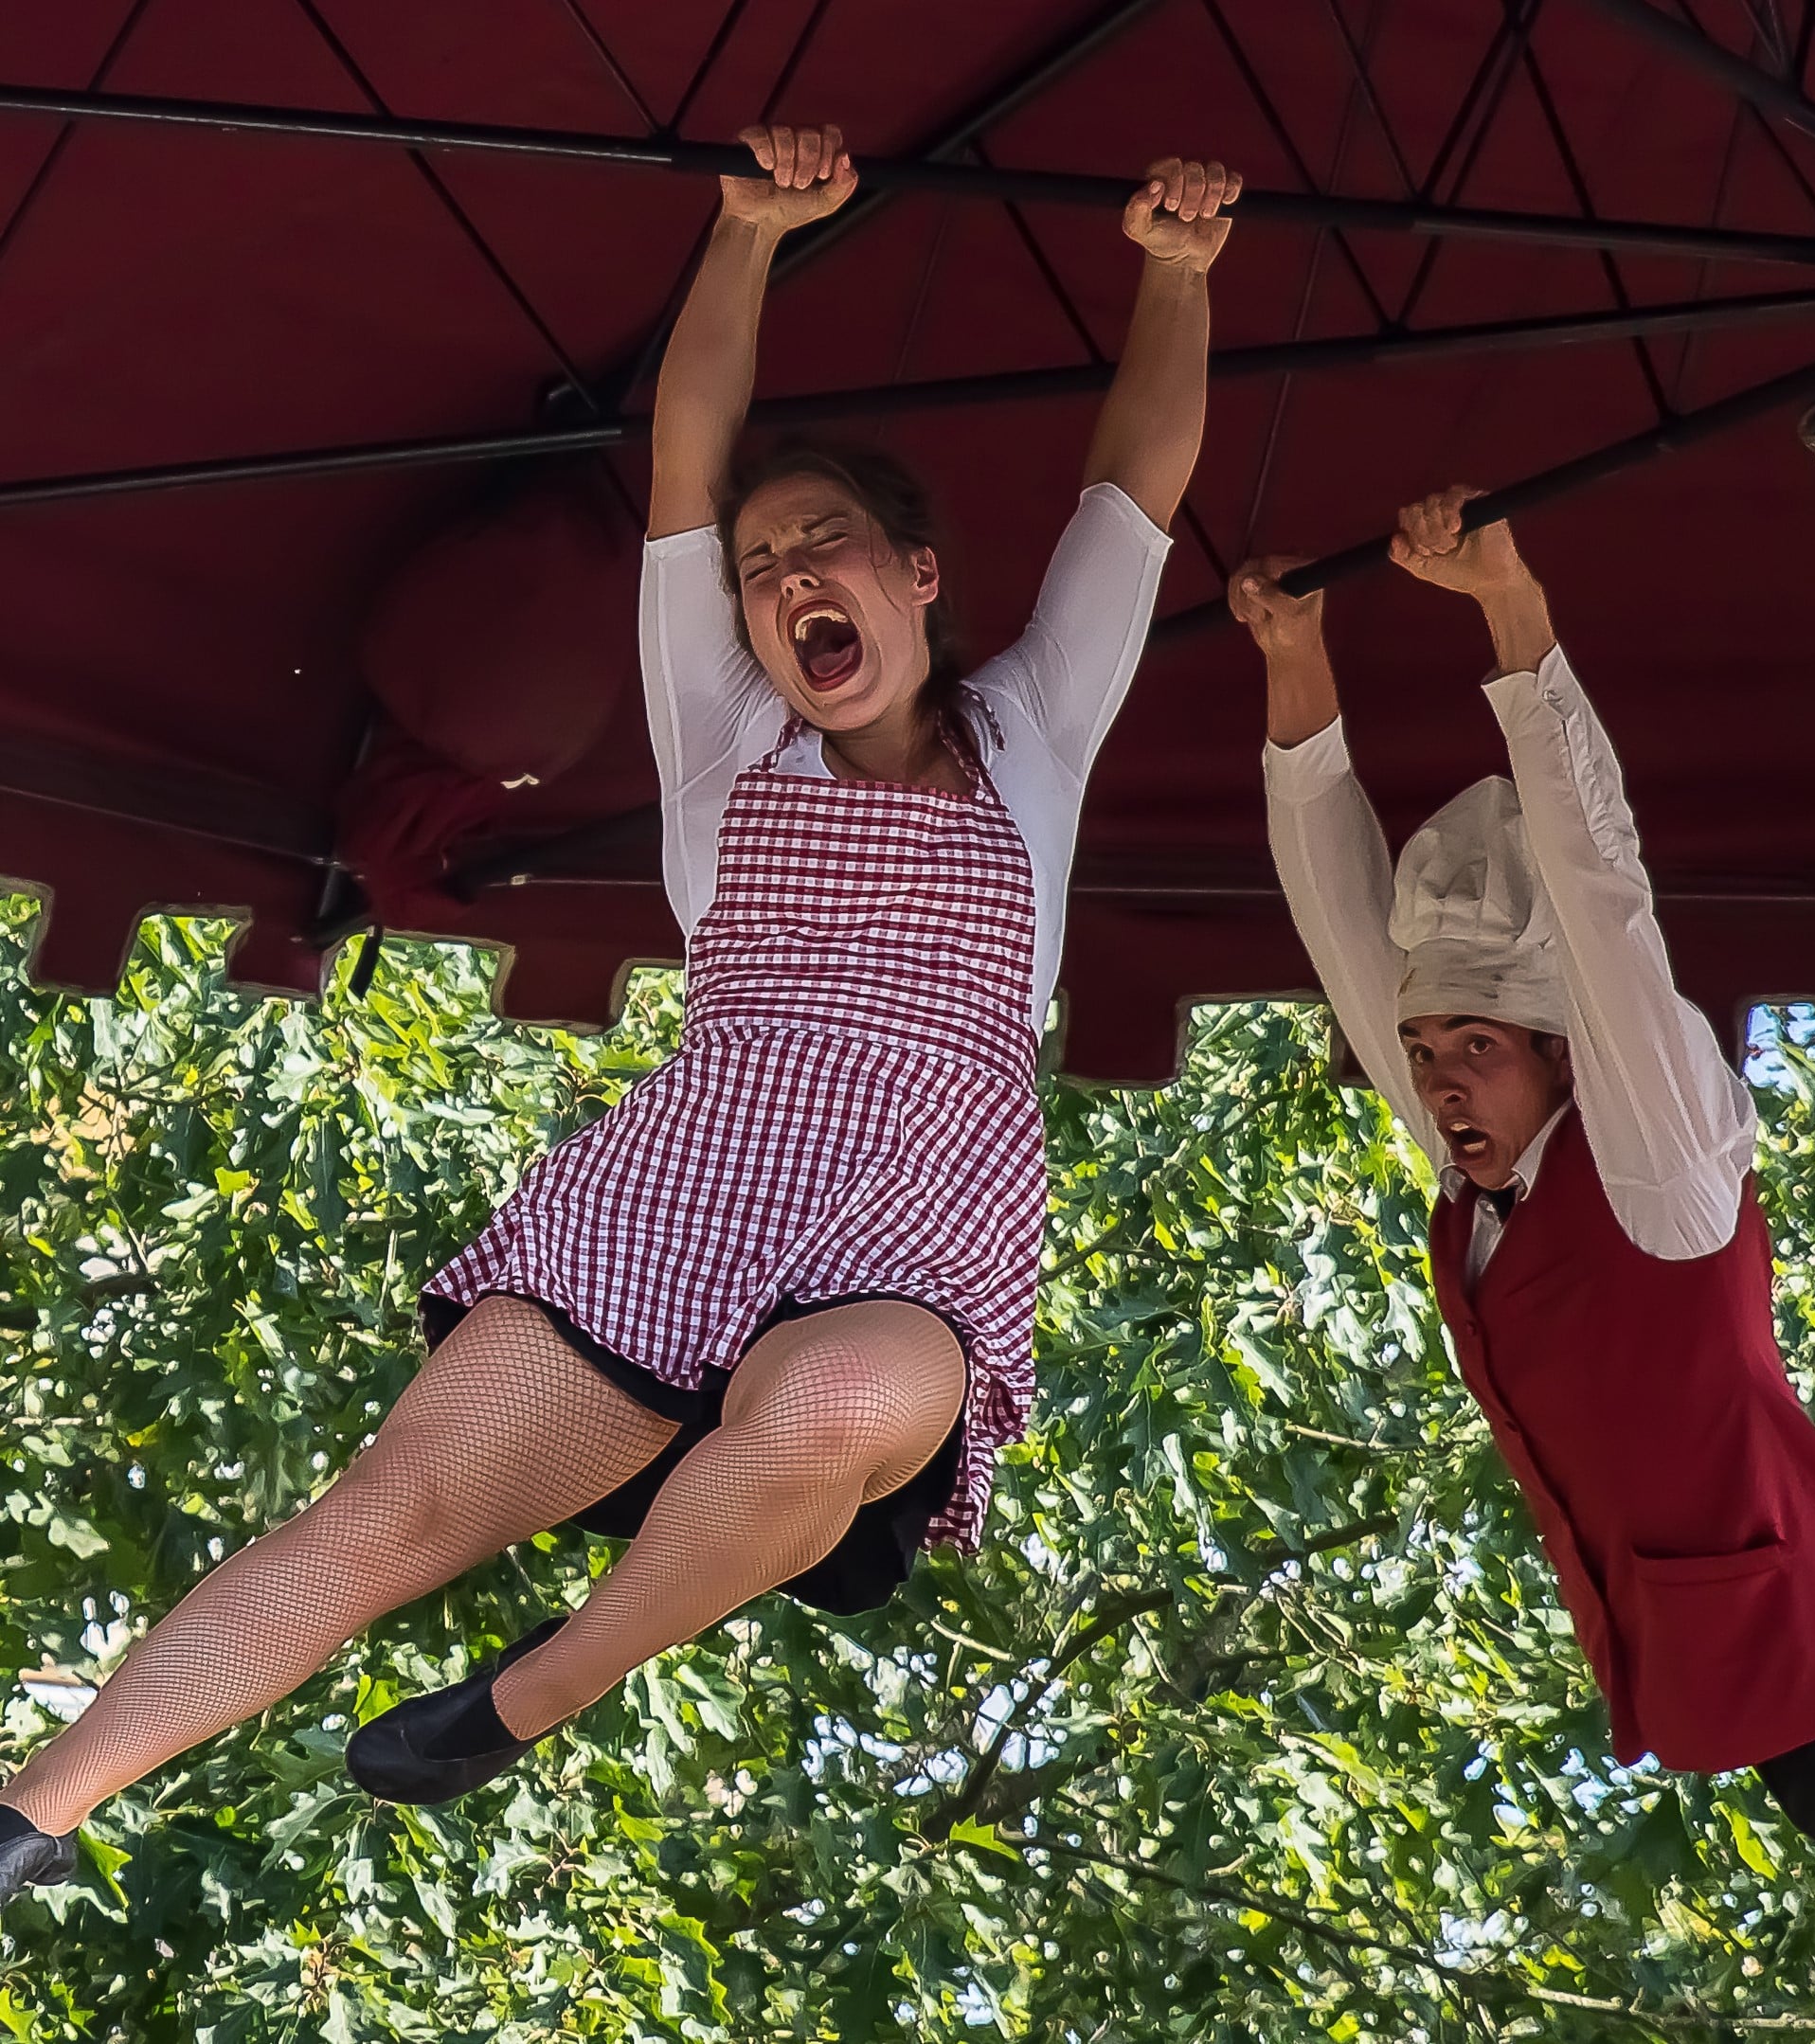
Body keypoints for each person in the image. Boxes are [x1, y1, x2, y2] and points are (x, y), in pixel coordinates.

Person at [0, 125, 1241, 1892]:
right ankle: (31, 1812)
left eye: (826, 544)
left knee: (827, 1412)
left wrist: (1177, 274)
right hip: (690, 1182)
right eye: (761, 565)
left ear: (916, 575)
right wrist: (742, 235)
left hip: (920, 1223)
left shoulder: (1029, 735)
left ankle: (541, 1687)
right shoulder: (726, 733)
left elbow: (1132, 491)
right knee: (391, 1508)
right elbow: (686, 453)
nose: (789, 577)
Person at [1231, 488, 1815, 2040]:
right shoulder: (1481, 1180)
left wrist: (1512, 615)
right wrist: (1296, 673)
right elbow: (1340, 930)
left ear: (1559, 1051)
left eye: (1474, 1046)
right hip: (1806, 1694)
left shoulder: (1655, 1165)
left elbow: (1601, 901)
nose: (1437, 1079)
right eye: (1423, 1050)